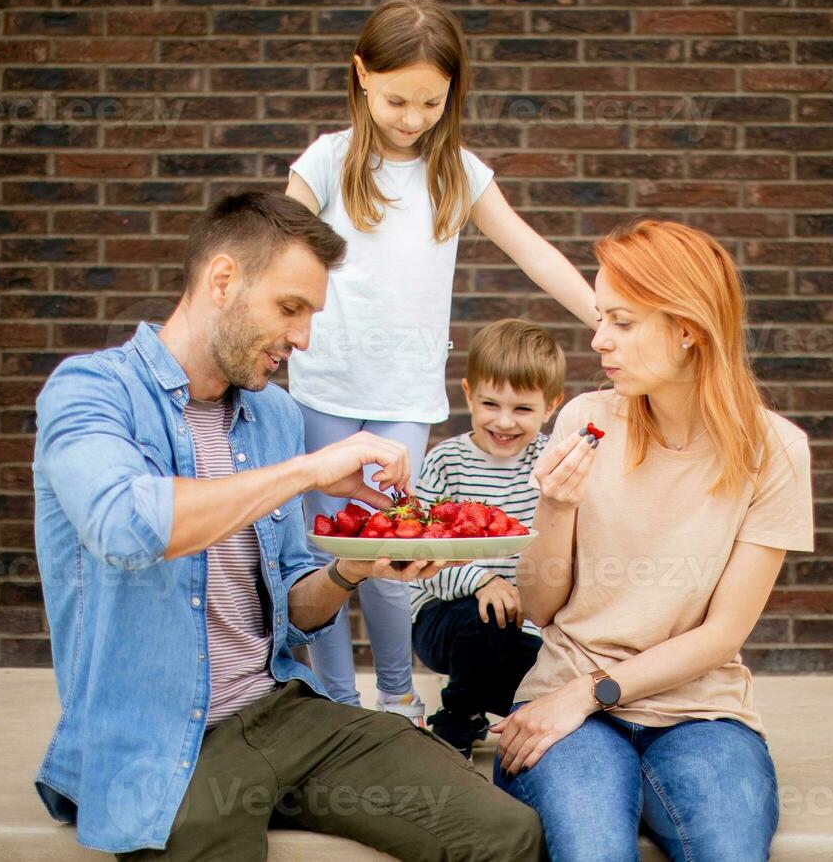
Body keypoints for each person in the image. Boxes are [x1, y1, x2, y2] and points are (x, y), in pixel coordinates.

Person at [31, 192, 543, 861]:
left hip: (281, 711)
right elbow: (126, 528)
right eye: (290, 308)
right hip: (158, 740)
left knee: (505, 833)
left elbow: (296, 605)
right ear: (222, 282)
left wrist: (349, 570)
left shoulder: (271, 417)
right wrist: (306, 471)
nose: (302, 338)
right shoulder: (92, 392)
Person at [284, 0, 595, 722]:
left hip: (403, 397)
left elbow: (531, 250)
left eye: (431, 102)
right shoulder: (327, 161)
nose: (412, 117)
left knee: (396, 556)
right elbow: (280, 252)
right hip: (323, 389)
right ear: (360, 75)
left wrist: (603, 315)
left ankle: (396, 700)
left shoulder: (457, 171)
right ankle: (335, 700)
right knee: (333, 554)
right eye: (397, 99)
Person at [491, 219, 816, 862]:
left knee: (729, 851)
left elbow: (723, 634)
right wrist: (555, 509)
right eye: (601, 318)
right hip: (568, 701)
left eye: (622, 321)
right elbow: (539, 608)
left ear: (687, 329)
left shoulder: (775, 450)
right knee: (592, 851)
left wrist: (591, 693)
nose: (598, 338)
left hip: (699, 714)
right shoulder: (587, 420)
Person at [409, 319, 564, 757]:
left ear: (551, 406)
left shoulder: (553, 462)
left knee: (544, 677)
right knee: (485, 619)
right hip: (447, 617)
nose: (504, 421)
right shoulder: (445, 462)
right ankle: (457, 718)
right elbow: (420, 554)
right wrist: (481, 581)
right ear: (467, 394)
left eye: (523, 409)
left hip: (525, 625)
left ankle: (490, 703)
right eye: (490, 403)